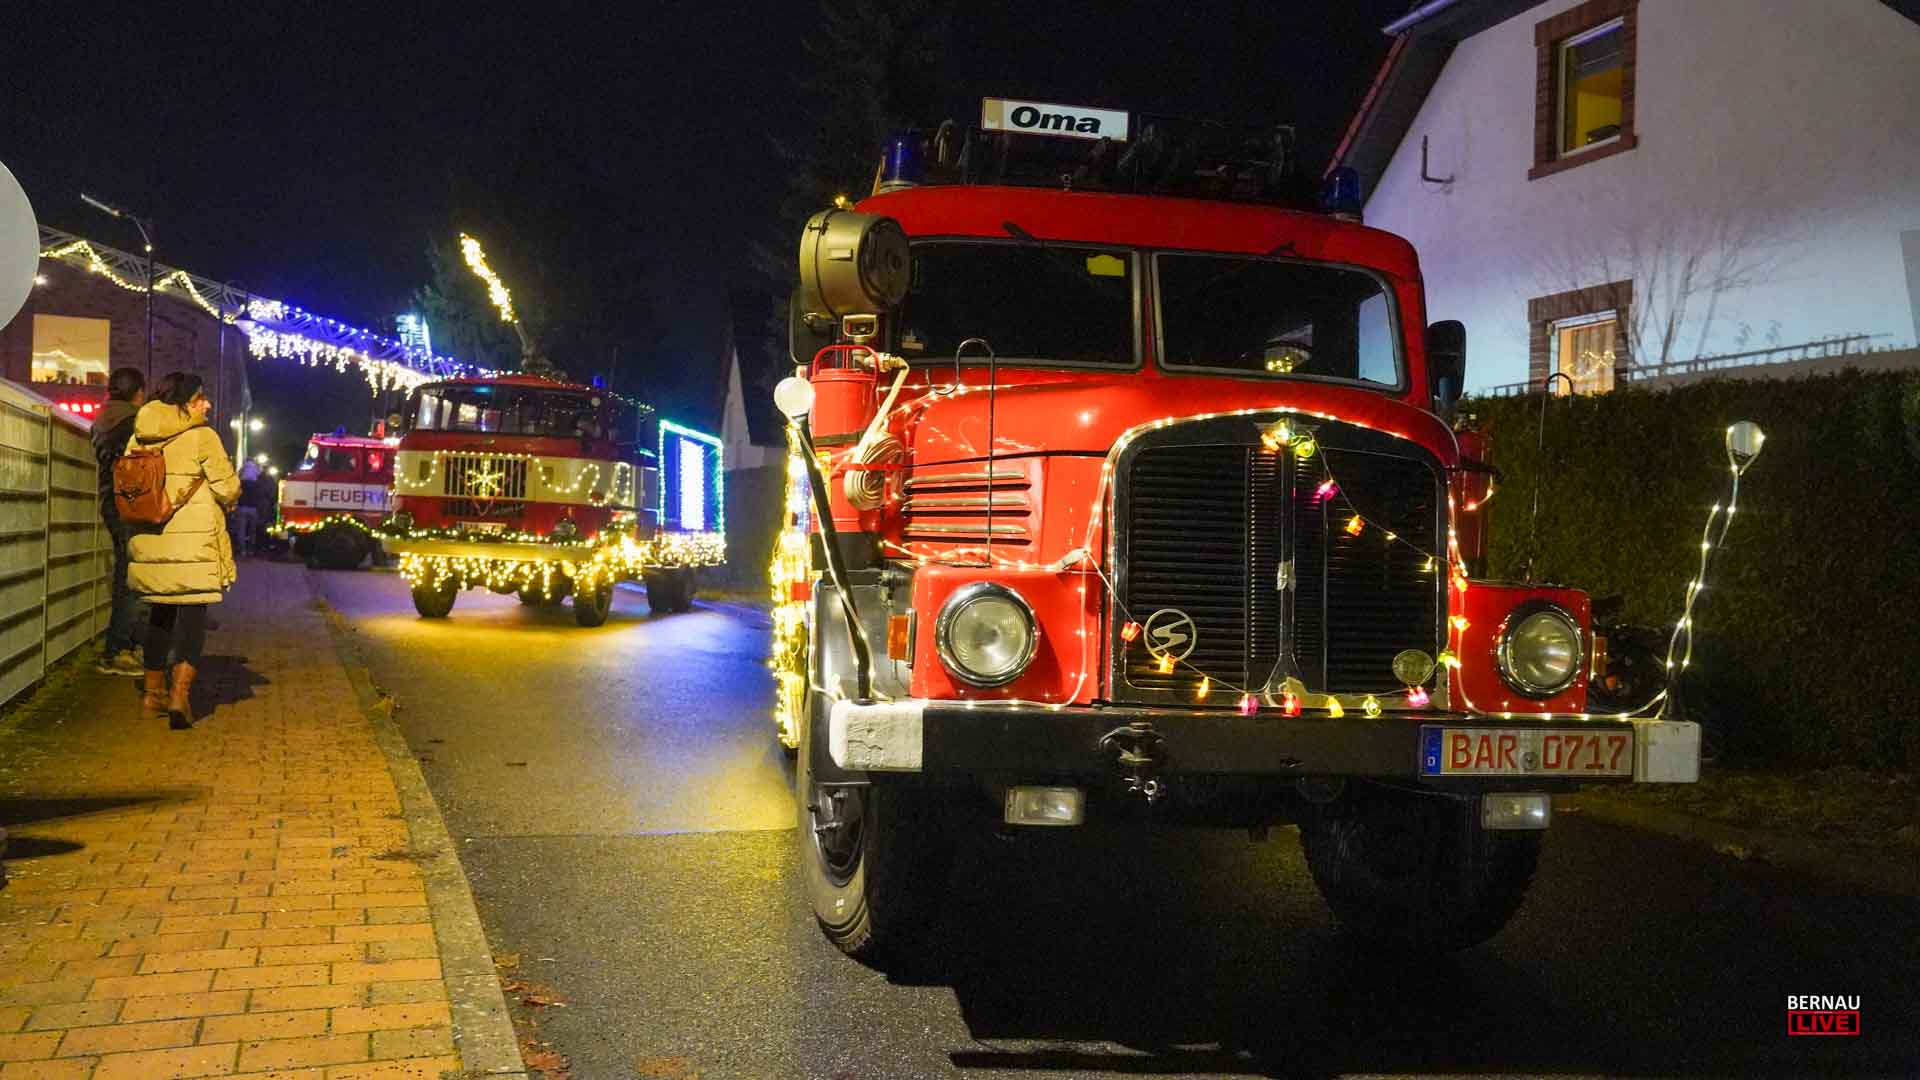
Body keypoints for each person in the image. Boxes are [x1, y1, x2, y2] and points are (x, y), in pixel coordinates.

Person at [127, 372, 240, 729]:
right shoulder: (203, 437)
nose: (207, 404)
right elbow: (228, 488)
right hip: (194, 542)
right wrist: (230, 495)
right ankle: (179, 696)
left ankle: (151, 692)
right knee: (192, 616)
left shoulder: (138, 435)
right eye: (200, 398)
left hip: (151, 537)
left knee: (160, 614)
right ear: (184, 404)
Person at [90, 367, 147, 675]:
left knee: (125, 573)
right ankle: (118, 649)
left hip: (109, 501)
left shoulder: (103, 418)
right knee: (129, 576)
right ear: (138, 392)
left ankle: (122, 645)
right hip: (127, 504)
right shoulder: (131, 421)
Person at [232, 461, 262, 557]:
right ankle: (251, 549)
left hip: (242, 508)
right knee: (252, 530)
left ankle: (242, 550)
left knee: (241, 530)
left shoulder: (240, 483)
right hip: (253, 509)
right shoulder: (257, 483)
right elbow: (260, 496)